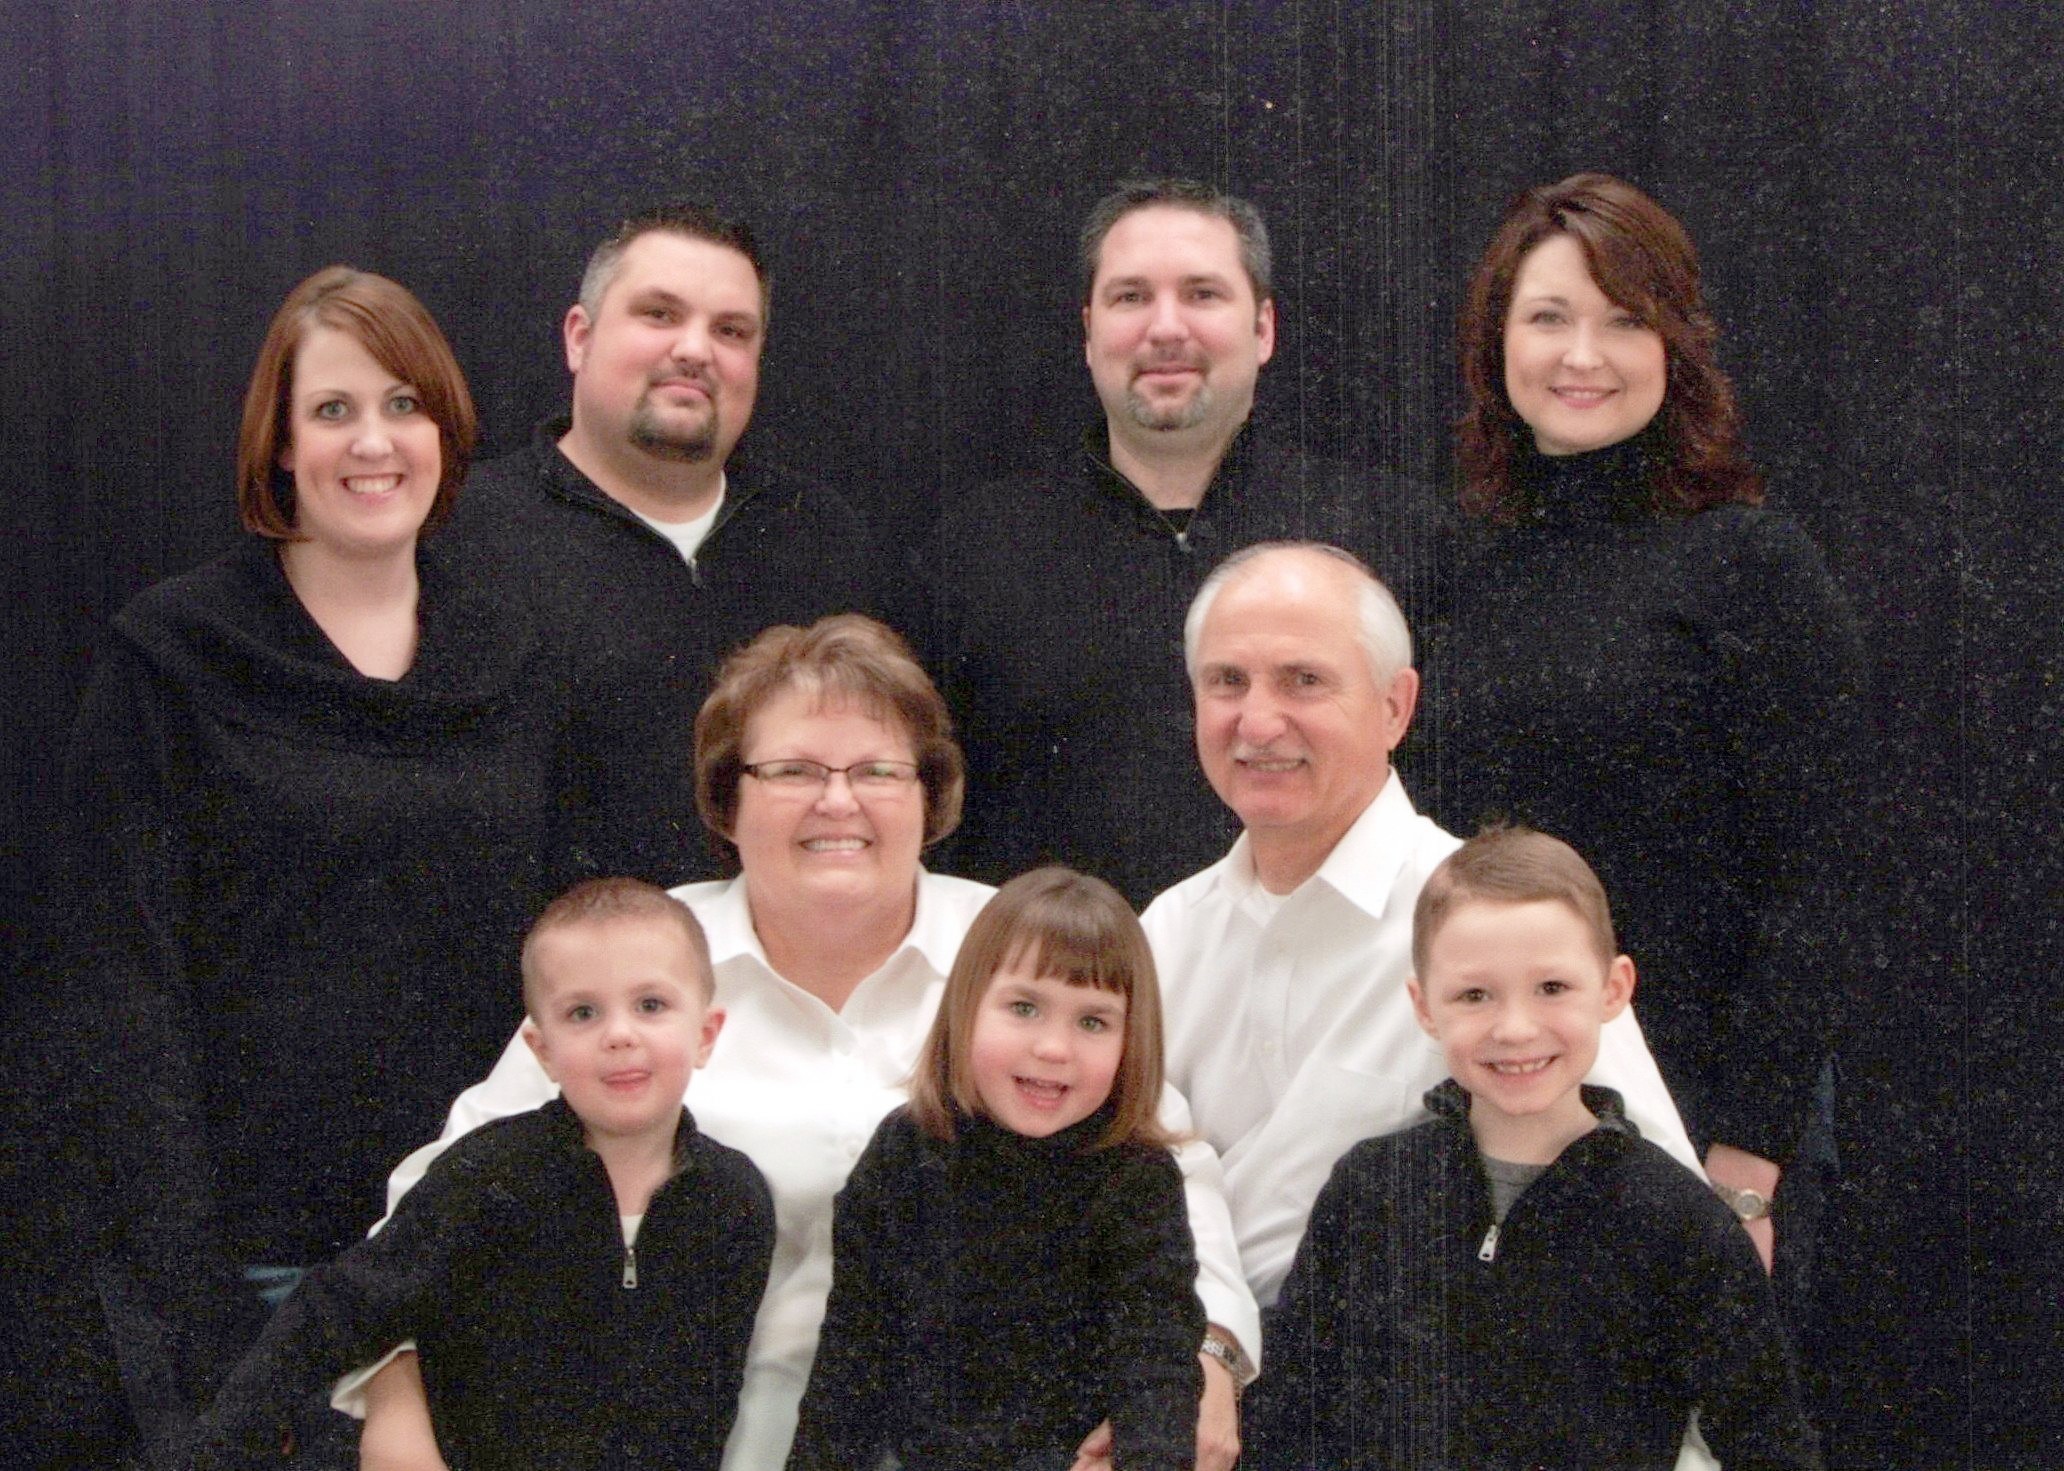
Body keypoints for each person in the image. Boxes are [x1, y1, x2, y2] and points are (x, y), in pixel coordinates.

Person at [349, 615, 1256, 1471]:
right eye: (793, 770)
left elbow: (1166, 1170)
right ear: (727, 799)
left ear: (928, 794)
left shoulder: (1025, 952)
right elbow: (438, 1197)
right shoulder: (635, 962)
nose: (838, 801)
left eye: (878, 770)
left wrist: (1210, 1360)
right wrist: (395, 1404)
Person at [49, 267, 565, 1445]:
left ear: (446, 430)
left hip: (471, 1247)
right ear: (279, 446)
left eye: (403, 405)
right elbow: (123, 991)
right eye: (333, 410)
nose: (373, 442)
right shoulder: (173, 656)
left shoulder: (513, 655)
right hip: (255, 1266)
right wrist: (195, 1290)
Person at [1425, 172, 1866, 1275]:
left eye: (1624, 320)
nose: (1584, 355)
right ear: (1497, 343)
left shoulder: (1751, 562)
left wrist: (1746, 1164)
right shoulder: (1458, 565)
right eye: (1549, 317)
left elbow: (1818, 879)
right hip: (1500, 1100)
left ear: (1675, 346)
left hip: (1707, 1119)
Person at [1141, 542, 1702, 1321]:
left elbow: (1670, 1219)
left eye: (1304, 680)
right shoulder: (1165, 934)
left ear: (1395, 707)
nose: (1258, 721)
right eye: (1227, 681)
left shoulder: (1497, 924)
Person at [1245, 826, 1820, 1470]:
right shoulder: (1372, 1187)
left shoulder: (1679, 1220)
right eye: (1475, 995)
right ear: (1424, 1006)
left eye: (1551, 988)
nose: (1515, 1029)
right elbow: (1289, 1417)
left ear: (1614, 989)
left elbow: (1770, 1443)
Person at [932, 178, 1427, 906]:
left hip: (1331, 966)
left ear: (1263, 328)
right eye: (1131, 297)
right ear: (1089, 333)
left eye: (1202, 294)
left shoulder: (1390, 533)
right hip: (1062, 974)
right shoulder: (975, 551)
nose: (1166, 328)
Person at [170, 879, 773, 1470]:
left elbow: (707, 1408)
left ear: (705, 1034)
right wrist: (224, 1446)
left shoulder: (732, 1200)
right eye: (583, 1012)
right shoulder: (487, 1177)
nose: (619, 1035)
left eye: (651, 1005)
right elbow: (339, 1308)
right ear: (542, 1051)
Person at [438, 203, 880, 886]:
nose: (695, 350)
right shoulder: (458, 536)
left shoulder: (822, 540)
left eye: (730, 330)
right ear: (579, 337)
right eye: (660, 314)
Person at [788, 866, 1203, 1471]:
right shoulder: (906, 1152)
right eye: (1025, 1007)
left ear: (1131, 1040)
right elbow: (851, 1364)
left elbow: (1157, 1367)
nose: (1054, 1048)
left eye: (1092, 1021)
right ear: (967, 1007)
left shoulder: (1139, 1179)